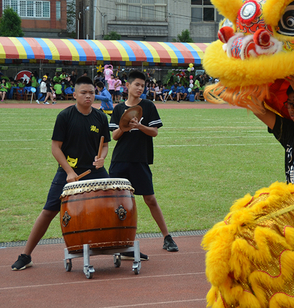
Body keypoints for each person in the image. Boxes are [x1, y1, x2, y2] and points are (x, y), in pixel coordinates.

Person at [11, 76, 110, 271]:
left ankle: (122, 246)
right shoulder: (65, 116)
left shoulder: (100, 117)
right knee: (49, 211)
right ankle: (26, 255)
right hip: (68, 172)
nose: (88, 96)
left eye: (91, 92)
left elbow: (105, 145)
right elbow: (56, 148)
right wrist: (69, 172)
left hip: (95, 171)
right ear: (74, 95)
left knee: (113, 203)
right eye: (84, 93)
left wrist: (102, 158)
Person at [109, 70, 179, 258]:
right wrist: (125, 125)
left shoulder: (148, 106)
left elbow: (154, 132)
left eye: (143, 85)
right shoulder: (118, 109)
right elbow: (114, 136)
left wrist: (139, 126)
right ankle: (121, 243)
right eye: (137, 85)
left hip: (140, 160)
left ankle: (167, 237)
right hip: (120, 160)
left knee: (150, 199)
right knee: (118, 203)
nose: (140, 88)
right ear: (128, 86)